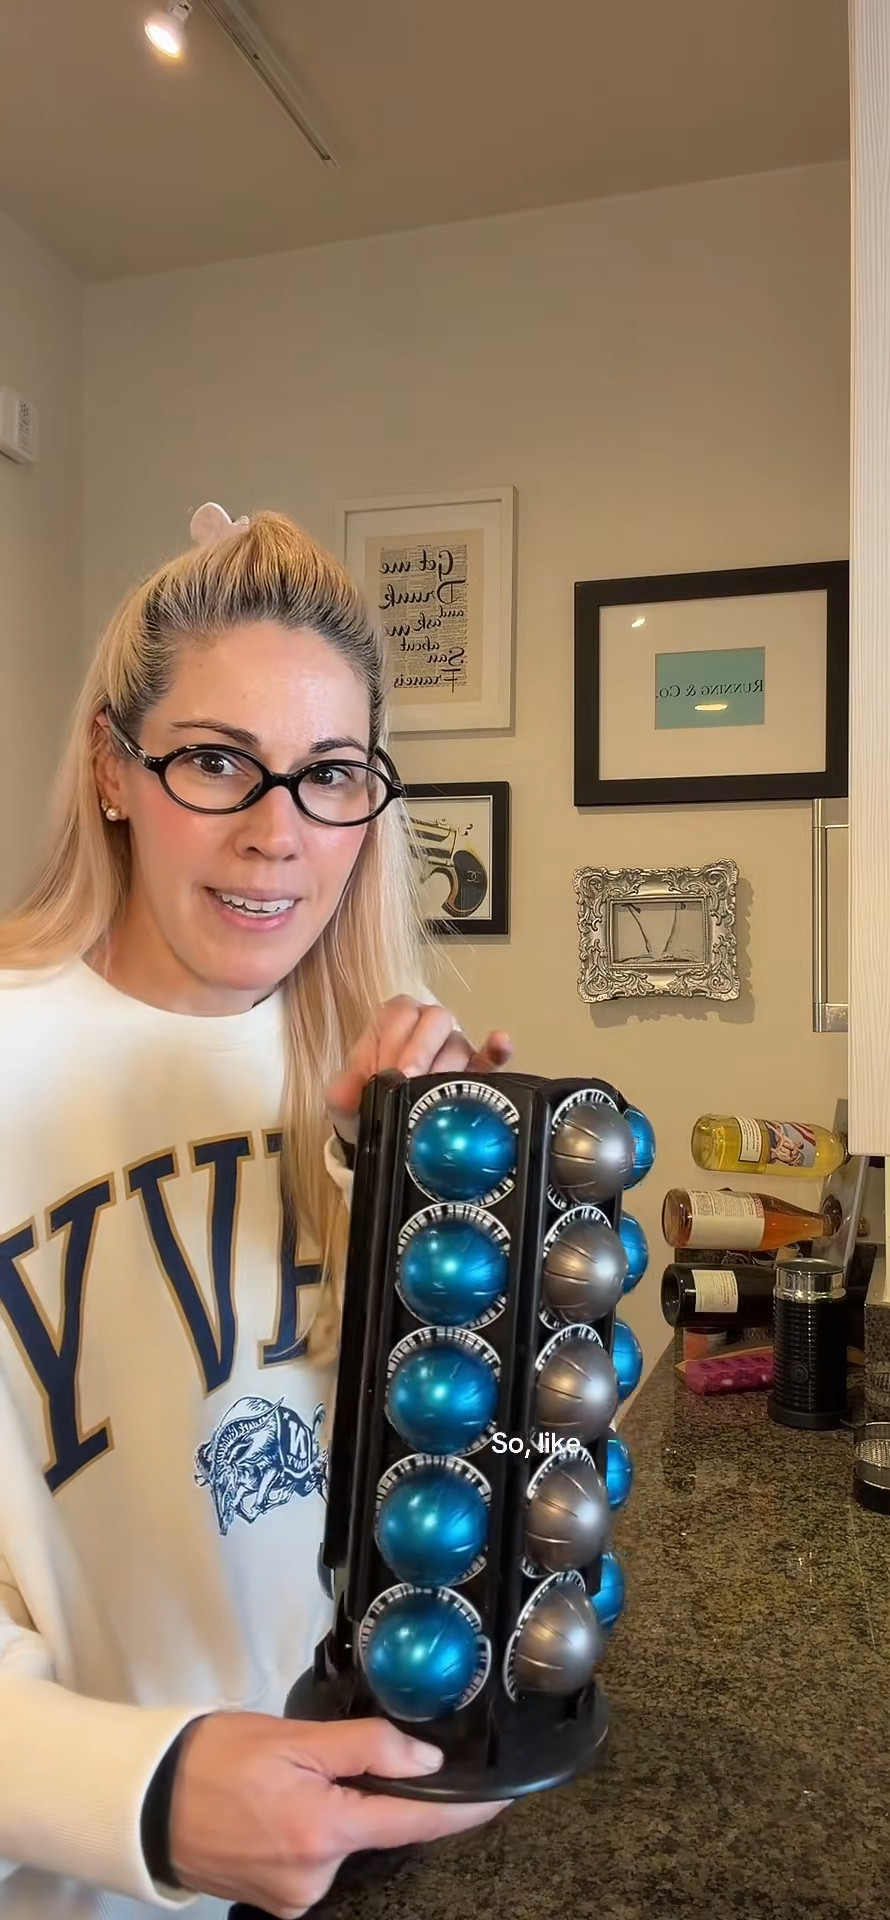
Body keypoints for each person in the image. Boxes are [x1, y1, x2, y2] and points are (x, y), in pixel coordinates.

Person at [0, 505, 514, 1920]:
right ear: (113, 768)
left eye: (329, 773)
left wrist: (438, 1212)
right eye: (218, 761)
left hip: (358, 1831)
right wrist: (148, 1794)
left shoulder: (369, 1078)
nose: (277, 834)